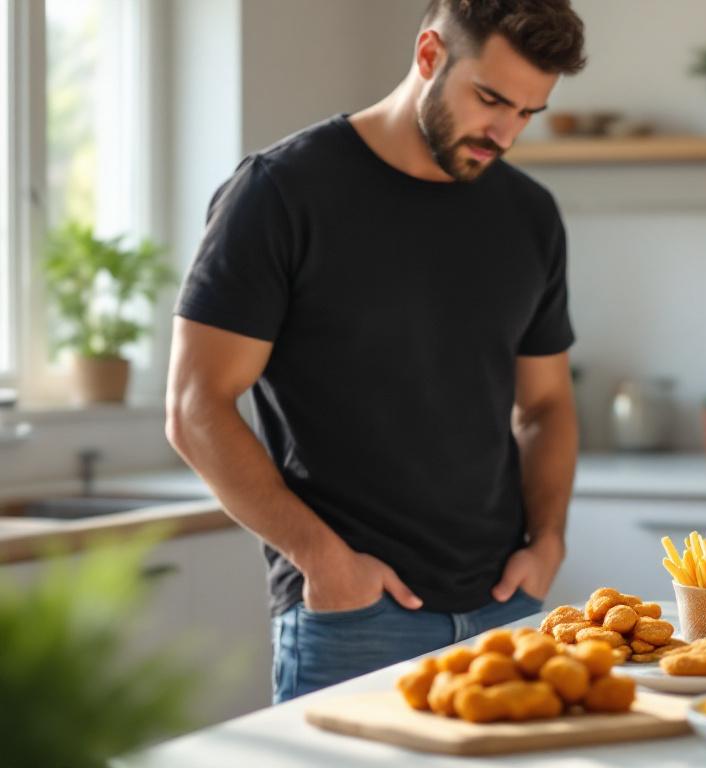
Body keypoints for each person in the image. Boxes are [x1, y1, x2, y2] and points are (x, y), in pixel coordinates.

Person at [164, 0, 586, 703]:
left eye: (527, 113)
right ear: (428, 55)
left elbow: (544, 404)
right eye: (490, 99)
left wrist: (548, 543)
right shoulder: (281, 194)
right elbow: (193, 406)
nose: (505, 132)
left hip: (506, 611)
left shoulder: (529, 215)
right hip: (355, 614)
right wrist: (324, 562)